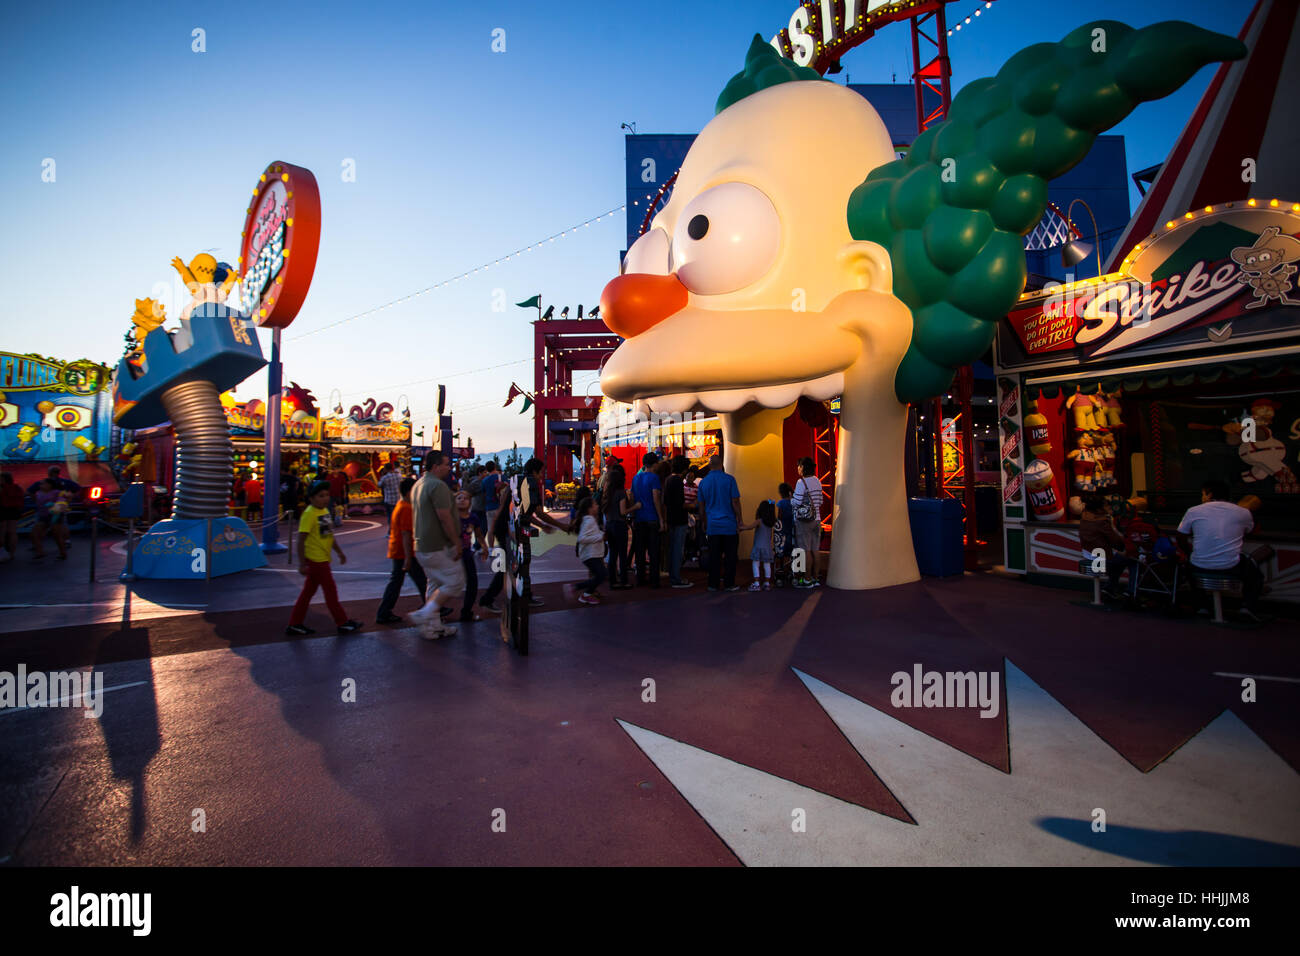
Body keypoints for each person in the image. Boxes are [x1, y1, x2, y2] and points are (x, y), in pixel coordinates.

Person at [1177, 479, 1263, 622]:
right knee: (1255, 574)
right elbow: (1252, 530)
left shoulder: (1193, 511)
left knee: (1189, 565)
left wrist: (1190, 553)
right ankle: (1247, 607)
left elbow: (1180, 536)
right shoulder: (1243, 512)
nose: (1202, 498)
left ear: (1209, 494)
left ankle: (1202, 607)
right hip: (1231, 566)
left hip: (1199, 566)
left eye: (1203, 494)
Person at [286, 481, 362, 635]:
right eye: (321, 496)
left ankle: (295, 623)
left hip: (322, 559)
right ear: (311, 498)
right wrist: (302, 563)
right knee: (330, 592)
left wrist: (339, 552)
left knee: (307, 593)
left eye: (327, 495)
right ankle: (342, 622)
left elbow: (329, 534)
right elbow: (301, 539)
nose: (325, 498)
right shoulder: (309, 514)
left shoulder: (324, 512)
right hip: (316, 561)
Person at [407, 450, 465, 639]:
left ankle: (433, 627)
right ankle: (425, 613)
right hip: (437, 545)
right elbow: (444, 517)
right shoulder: (437, 486)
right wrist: (456, 542)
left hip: (422, 545)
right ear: (435, 466)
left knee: (434, 585)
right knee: (456, 581)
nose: (449, 467)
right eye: (447, 464)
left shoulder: (418, 484)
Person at [376, 476, 427, 625]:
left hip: (399, 550)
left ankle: (384, 612)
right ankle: (432, 606)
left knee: (401, 581)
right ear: (408, 492)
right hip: (403, 552)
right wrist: (408, 558)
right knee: (417, 580)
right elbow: (406, 534)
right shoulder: (406, 508)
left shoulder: (401, 505)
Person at [697, 454, 742, 591]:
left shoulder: (703, 482)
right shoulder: (730, 480)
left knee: (714, 556)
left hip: (712, 525)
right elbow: (735, 502)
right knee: (730, 556)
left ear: (710, 466)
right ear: (721, 464)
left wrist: (703, 522)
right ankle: (729, 583)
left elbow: (701, 506)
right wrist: (739, 519)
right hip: (729, 525)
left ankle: (713, 584)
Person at [1078, 494, 1134, 598]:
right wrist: (1113, 526)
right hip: (1102, 559)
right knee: (1132, 560)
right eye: (1107, 506)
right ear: (1101, 507)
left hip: (1088, 556)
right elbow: (1117, 542)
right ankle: (1131, 591)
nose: (1110, 508)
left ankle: (1110, 588)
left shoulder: (1085, 518)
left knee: (1119, 560)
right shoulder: (1102, 522)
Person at [454, 488, 494, 621]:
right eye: (459, 498)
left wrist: (484, 547)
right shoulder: (451, 517)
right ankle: (436, 611)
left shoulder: (473, 518)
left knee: (472, 583)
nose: (462, 500)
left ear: (470, 502)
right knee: (449, 584)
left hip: (466, 555)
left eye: (465, 498)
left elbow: (479, 535)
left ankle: (466, 612)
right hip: (453, 556)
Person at [630, 452, 665, 587]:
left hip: (639, 518)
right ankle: (654, 580)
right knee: (653, 551)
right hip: (652, 518)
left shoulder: (636, 478)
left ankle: (640, 578)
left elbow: (632, 497)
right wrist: (661, 518)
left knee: (640, 550)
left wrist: (633, 515)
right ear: (655, 464)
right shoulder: (654, 478)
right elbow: (656, 497)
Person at [567, 493, 607, 605]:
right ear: (589, 508)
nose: (597, 506)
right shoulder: (589, 521)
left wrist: (601, 534)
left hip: (593, 554)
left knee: (599, 574)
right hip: (590, 555)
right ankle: (585, 593)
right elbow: (582, 538)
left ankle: (586, 590)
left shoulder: (589, 520)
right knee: (602, 574)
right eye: (595, 504)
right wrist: (600, 537)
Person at [791, 457, 824, 588]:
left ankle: (807, 579)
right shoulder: (817, 480)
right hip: (817, 519)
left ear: (803, 467)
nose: (798, 468)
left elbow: (797, 502)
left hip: (804, 521)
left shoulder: (801, 482)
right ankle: (816, 579)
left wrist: (791, 501)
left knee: (806, 550)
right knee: (815, 550)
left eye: (799, 466)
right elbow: (820, 501)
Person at [663, 455, 693, 588]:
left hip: (670, 518)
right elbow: (681, 504)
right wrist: (694, 504)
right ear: (684, 469)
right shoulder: (677, 481)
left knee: (672, 548)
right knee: (677, 549)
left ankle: (673, 575)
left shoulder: (668, 480)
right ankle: (676, 578)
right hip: (679, 519)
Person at [601, 463, 631, 589]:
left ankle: (613, 580)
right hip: (620, 525)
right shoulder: (621, 493)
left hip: (610, 525)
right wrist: (635, 506)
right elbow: (623, 511)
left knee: (613, 554)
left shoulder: (607, 494)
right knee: (622, 554)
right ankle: (624, 580)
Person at [742, 499, 777, 590]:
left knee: (755, 564)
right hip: (767, 547)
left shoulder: (759, 521)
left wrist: (742, 527)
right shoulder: (771, 523)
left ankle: (757, 583)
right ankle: (767, 583)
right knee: (767, 565)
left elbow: (750, 527)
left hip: (758, 546)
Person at [31, 478, 69, 560]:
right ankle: (40, 552)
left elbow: (62, 500)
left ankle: (63, 553)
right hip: (43, 516)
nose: (41, 485)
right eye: (40, 484)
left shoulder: (57, 492)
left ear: (50, 485)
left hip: (55, 516)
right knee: (34, 533)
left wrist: (58, 506)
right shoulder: (38, 493)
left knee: (56, 535)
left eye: (43, 483)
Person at [773, 482, 795, 587]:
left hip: (783, 532)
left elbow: (779, 517)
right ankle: (793, 573)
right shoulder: (793, 502)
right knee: (792, 553)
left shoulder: (781, 503)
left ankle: (780, 575)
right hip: (791, 532)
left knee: (780, 554)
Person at [0, 472, 23, 562]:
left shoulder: (2, 487)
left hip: (2, 510)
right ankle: (12, 554)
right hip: (14, 510)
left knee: (2, 531)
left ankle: (2, 552)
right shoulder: (17, 487)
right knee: (13, 532)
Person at [481, 461, 502, 546]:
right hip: (501, 507)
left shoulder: (485, 480)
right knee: (504, 529)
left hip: (489, 507)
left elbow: (483, 494)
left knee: (490, 529)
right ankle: (504, 547)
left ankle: (491, 549)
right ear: (495, 467)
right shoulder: (501, 477)